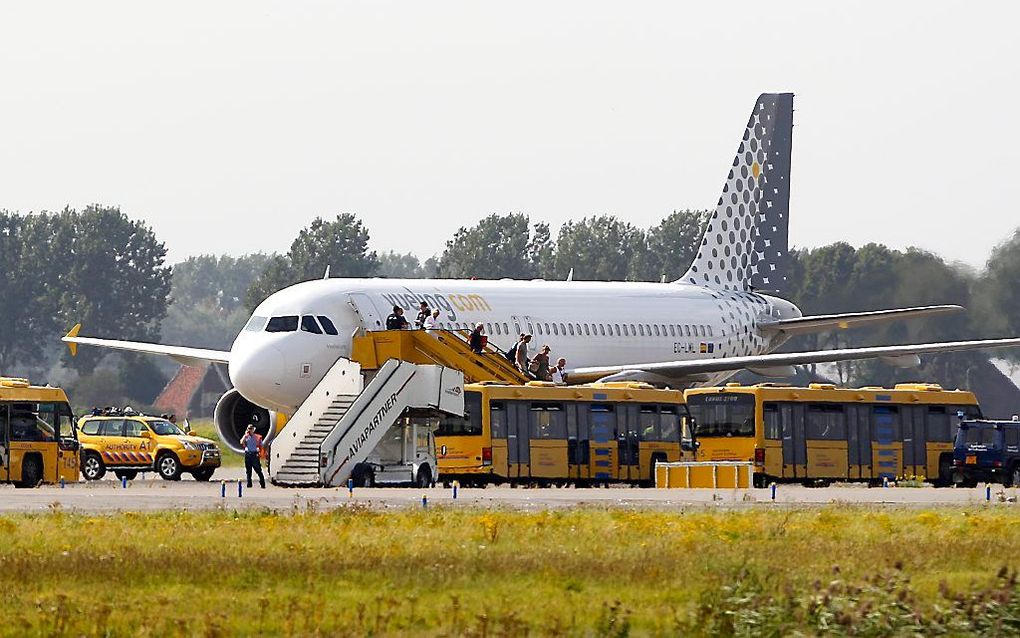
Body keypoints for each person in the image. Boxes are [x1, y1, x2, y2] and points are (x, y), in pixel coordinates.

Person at [240, 424, 266, 489]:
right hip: (248, 454)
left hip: (254, 454)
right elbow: (241, 442)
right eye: (248, 429)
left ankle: (262, 483)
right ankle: (249, 483)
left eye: (250, 429)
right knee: (248, 470)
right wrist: (245, 435)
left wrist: (261, 453)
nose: (249, 431)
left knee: (258, 469)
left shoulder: (257, 437)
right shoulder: (246, 437)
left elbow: (261, 445)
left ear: (253, 430)